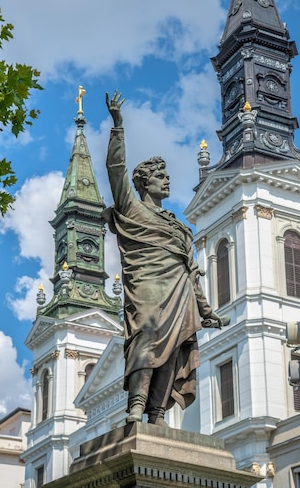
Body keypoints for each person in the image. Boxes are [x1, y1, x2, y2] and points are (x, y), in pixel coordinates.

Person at [105, 91, 227, 426]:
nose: (167, 179)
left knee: (174, 351)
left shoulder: (180, 228)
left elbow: (191, 274)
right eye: (160, 176)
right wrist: (118, 127)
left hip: (180, 293)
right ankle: (137, 404)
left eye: (167, 175)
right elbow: (116, 169)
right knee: (146, 336)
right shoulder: (132, 210)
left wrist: (207, 311)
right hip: (147, 288)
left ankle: (157, 412)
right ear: (144, 182)